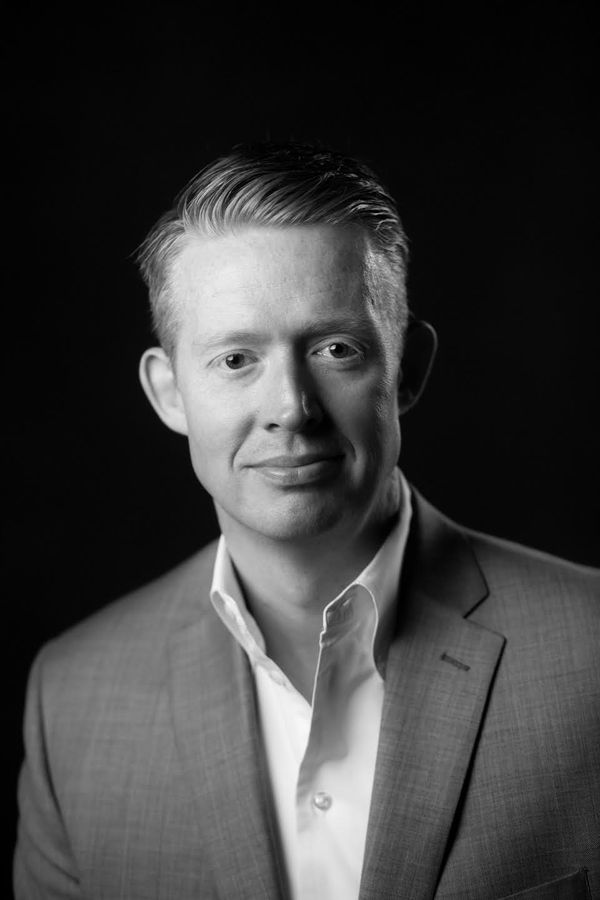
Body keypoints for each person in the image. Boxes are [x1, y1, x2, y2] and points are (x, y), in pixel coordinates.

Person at [14, 142, 599, 900]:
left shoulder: (590, 656)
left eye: (335, 349)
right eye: (236, 360)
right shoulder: (72, 701)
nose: (291, 409)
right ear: (168, 393)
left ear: (407, 369)